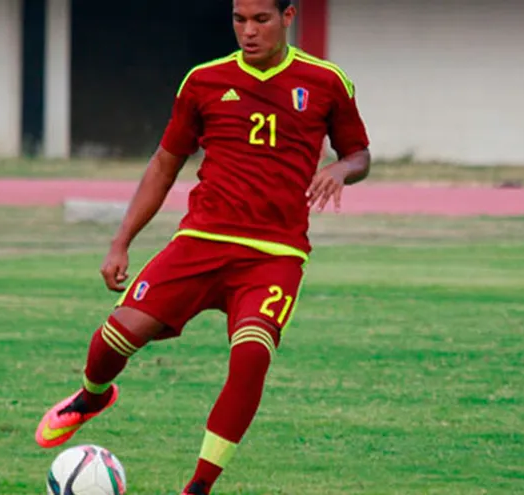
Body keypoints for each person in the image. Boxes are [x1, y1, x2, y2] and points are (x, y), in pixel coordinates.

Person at [34, 0, 371, 493]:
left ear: (289, 16)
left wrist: (341, 168)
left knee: (252, 355)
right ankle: (91, 396)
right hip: (201, 242)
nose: (248, 31)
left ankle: (198, 486)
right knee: (117, 335)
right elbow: (164, 164)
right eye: (239, 20)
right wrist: (121, 241)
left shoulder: (326, 82)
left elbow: (359, 153)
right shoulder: (203, 82)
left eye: (261, 19)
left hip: (274, 255)